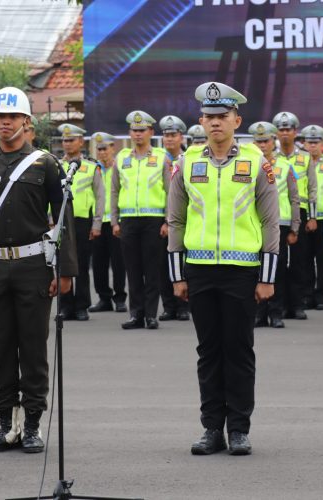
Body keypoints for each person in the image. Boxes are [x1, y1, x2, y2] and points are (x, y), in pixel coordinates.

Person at [0, 86, 77, 454]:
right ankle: (6, 425)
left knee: (34, 348)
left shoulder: (45, 164)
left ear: (27, 121)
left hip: (33, 267)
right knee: (1, 347)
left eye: (13, 117)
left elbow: (63, 218)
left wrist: (66, 270)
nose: (5, 123)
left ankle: (34, 426)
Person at [168, 81, 279, 456]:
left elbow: (270, 222)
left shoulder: (256, 162)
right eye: (210, 117)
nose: (216, 123)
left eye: (223, 116)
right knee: (208, 351)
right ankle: (212, 428)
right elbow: (176, 221)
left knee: (239, 350)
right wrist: (177, 274)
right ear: (201, 120)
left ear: (237, 120)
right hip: (199, 269)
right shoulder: (186, 163)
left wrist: (267, 277)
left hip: (242, 270)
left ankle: (240, 429)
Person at [110, 110, 170, 330]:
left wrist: (167, 222)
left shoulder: (162, 157)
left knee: (151, 270)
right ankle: (136, 314)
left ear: (151, 132)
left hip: (153, 221)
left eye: (142, 130)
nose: (137, 134)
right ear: (129, 132)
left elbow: (170, 191)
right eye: (134, 130)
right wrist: (114, 221)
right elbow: (114, 191)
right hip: (128, 221)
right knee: (133, 270)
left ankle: (151, 315)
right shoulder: (122, 157)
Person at [250, 121, 300, 328]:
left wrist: (295, 227)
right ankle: (259, 313)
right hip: (255, 224)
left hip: (280, 225)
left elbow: (294, 198)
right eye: (258, 141)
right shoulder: (249, 164)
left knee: (277, 270)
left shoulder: (286, 167)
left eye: (266, 141)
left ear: (273, 142)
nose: (262, 145)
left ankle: (276, 313)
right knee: (256, 269)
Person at [56, 124, 103, 321]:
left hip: (83, 221)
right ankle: (65, 306)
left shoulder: (92, 166)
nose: (67, 144)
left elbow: (100, 197)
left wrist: (97, 224)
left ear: (81, 142)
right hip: (61, 221)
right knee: (62, 265)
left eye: (71, 140)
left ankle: (82, 305)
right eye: (65, 140)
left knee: (82, 265)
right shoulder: (55, 165)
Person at [272, 111, 317, 319]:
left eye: (288, 129)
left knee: (299, 261)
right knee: (279, 262)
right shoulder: (272, 158)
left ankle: (297, 304)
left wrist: (313, 217)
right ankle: (279, 305)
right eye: (281, 130)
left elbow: (313, 188)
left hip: (302, 212)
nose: (284, 134)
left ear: (295, 132)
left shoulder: (305, 157)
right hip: (279, 212)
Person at [89, 132, 128, 313]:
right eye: (99, 149)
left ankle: (120, 298)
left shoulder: (118, 167)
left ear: (113, 148)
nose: (102, 152)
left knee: (118, 262)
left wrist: (117, 220)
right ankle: (104, 298)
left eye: (105, 148)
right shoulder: (93, 169)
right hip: (98, 223)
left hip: (115, 221)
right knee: (99, 263)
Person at [158, 115, 190, 321]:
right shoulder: (156, 159)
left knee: (185, 263)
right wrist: (165, 220)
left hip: (185, 220)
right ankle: (169, 306)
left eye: (173, 135)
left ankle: (184, 306)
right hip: (162, 222)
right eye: (166, 135)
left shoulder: (189, 159)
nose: (169, 139)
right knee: (163, 265)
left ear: (181, 137)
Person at [301, 124, 323, 311]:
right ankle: (306, 295)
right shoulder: (299, 162)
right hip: (306, 217)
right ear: (304, 143)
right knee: (305, 259)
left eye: (316, 142)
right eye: (308, 142)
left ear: (322, 143)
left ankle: (321, 296)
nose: (312, 146)